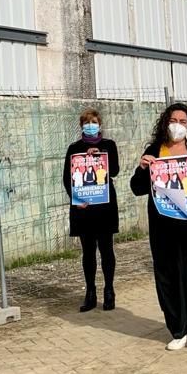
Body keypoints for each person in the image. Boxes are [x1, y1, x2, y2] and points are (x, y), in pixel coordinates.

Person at [131, 104, 187, 352]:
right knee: (170, 281)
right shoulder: (155, 150)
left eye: (183, 121)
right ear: (165, 122)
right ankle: (179, 330)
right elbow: (137, 188)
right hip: (164, 231)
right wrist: (142, 168)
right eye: (173, 120)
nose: (177, 124)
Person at [62, 108, 120, 313]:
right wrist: (76, 199)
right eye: (86, 122)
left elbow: (114, 170)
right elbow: (67, 179)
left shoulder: (109, 145)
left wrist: (99, 157)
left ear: (100, 124)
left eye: (93, 122)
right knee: (87, 251)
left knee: (106, 249)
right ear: (81, 126)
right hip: (83, 208)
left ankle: (109, 290)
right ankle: (90, 292)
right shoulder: (74, 148)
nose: (90, 125)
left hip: (104, 205)